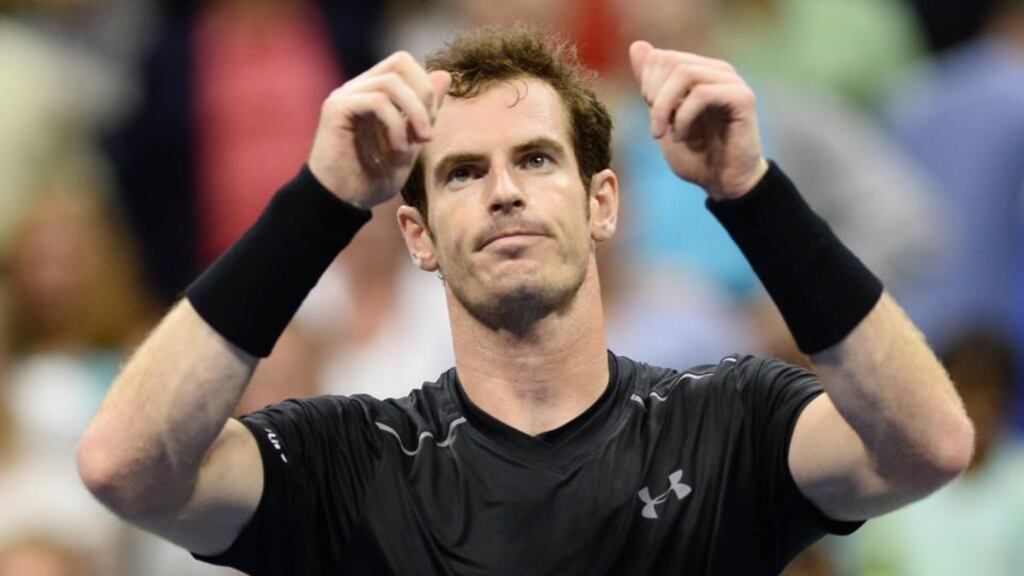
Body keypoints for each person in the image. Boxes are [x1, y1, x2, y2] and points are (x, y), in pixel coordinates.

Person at [77, 25, 973, 575]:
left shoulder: (729, 421)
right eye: (463, 172)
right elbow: (127, 466)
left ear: (602, 204)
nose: (504, 191)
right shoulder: (348, 461)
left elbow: (927, 444)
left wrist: (751, 190)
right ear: (418, 237)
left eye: (537, 159)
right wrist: (320, 201)